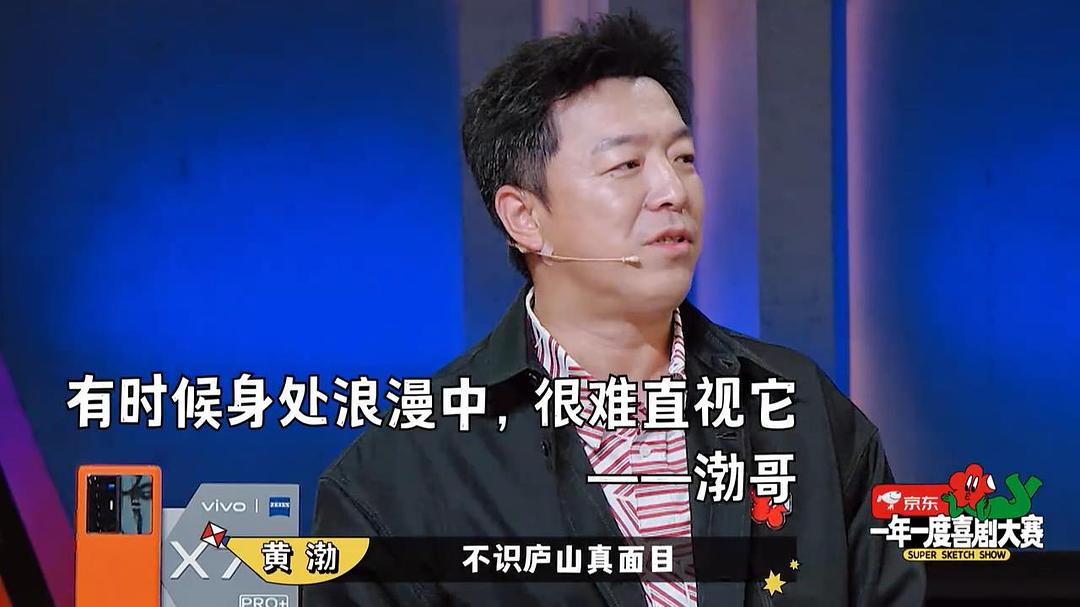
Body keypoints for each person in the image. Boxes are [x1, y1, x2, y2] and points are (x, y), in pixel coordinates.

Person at [304, 12, 924, 607]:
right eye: (626, 165)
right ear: (525, 218)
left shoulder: (803, 411)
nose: (672, 191)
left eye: (684, 159)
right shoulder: (401, 477)